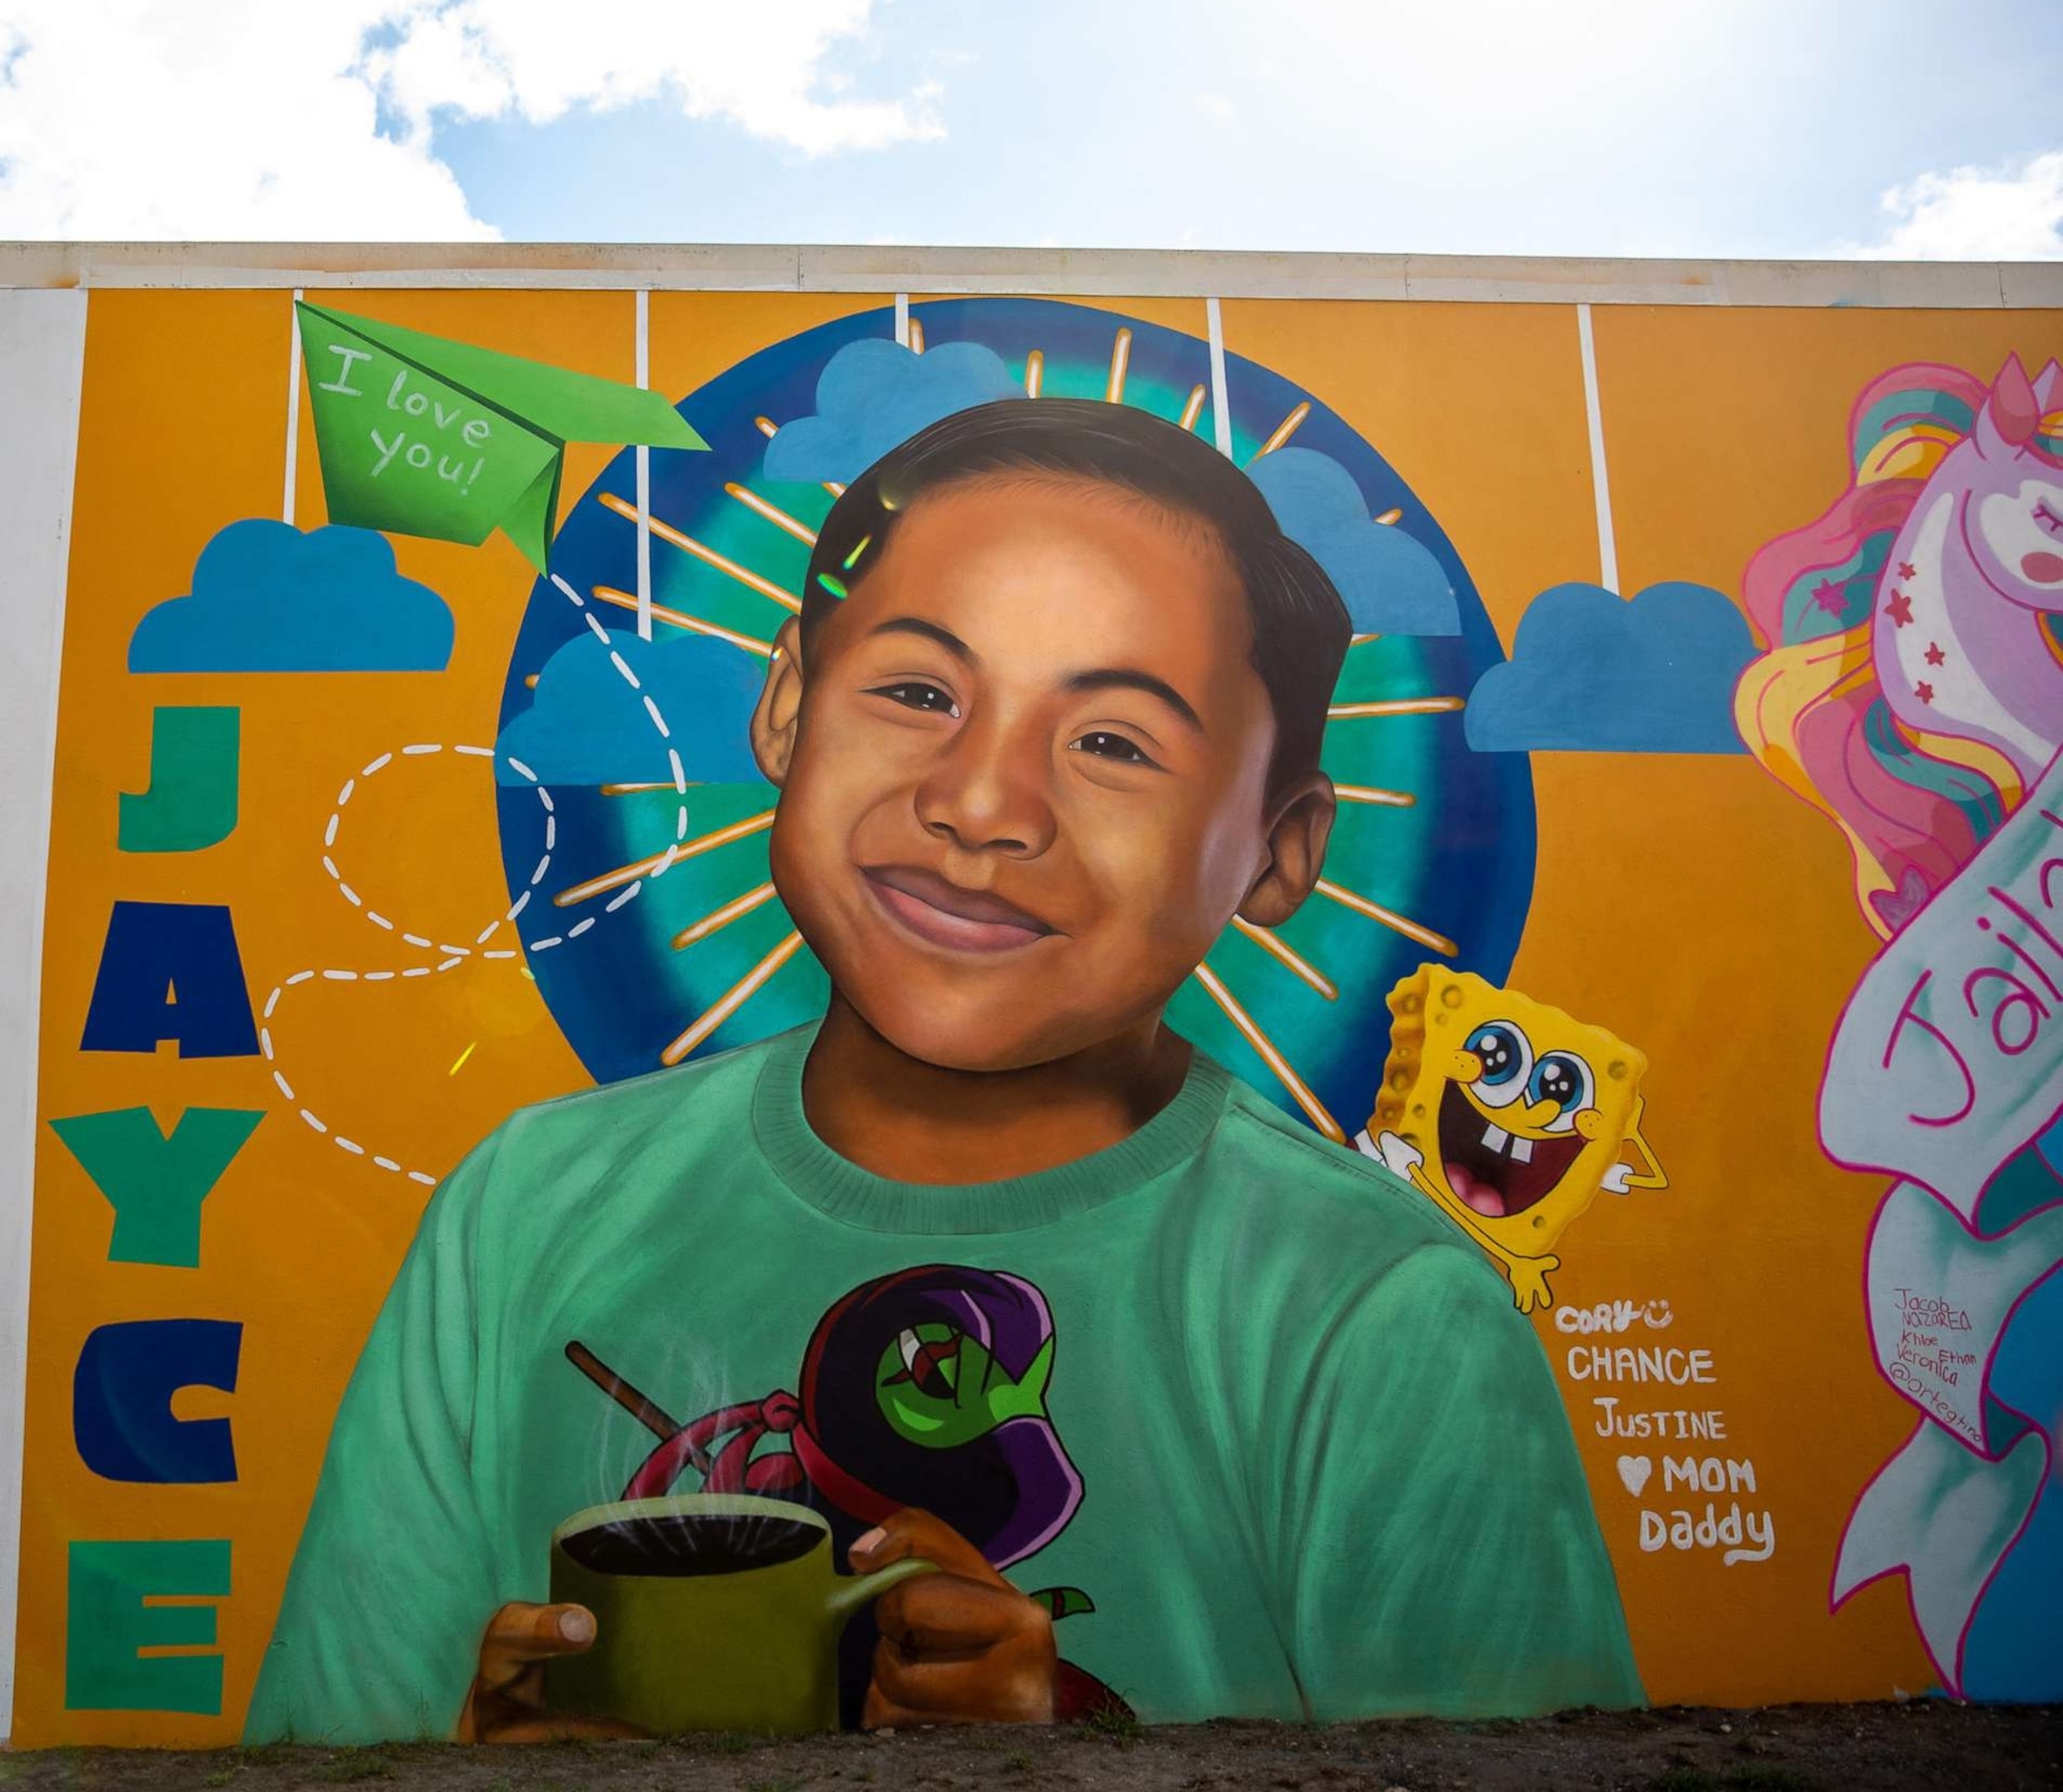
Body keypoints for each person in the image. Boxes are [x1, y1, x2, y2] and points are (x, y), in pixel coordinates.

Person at [246, 398, 1641, 1744]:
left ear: (1278, 851)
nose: (979, 804)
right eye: (919, 691)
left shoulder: (1374, 1313)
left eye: (1112, 743)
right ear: (789, 710)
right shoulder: (524, 1216)